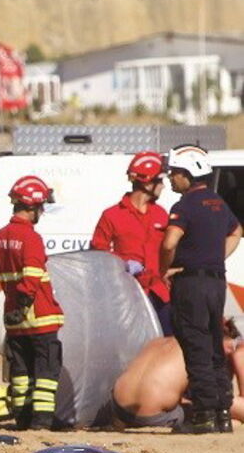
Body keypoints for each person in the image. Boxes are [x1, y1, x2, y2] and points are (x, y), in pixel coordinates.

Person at [160, 144, 242, 434]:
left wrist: (164, 268)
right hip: (216, 282)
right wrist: (217, 256)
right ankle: (222, 412)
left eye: (175, 173)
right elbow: (237, 231)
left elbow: (170, 242)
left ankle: (204, 414)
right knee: (213, 345)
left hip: (190, 283)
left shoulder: (184, 206)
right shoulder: (218, 203)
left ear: (189, 174)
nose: (171, 179)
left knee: (195, 345)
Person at [0, 175, 64, 431]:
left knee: (20, 373)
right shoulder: (30, 238)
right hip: (40, 316)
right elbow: (32, 276)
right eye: (40, 207)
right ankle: (41, 422)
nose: (41, 212)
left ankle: (22, 418)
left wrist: (15, 306)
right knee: (45, 374)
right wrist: (25, 304)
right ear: (32, 206)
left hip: (14, 320)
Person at [91, 151, 172, 334]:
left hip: (159, 293)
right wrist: (122, 264)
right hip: (128, 295)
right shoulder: (111, 215)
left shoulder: (161, 214)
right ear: (146, 181)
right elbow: (97, 252)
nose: (163, 186)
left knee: (167, 347)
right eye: (159, 180)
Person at [111, 321, 244, 430]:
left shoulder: (158, 341)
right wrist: (238, 354)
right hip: (151, 416)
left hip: (119, 409)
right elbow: (215, 397)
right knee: (219, 406)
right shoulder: (201, 349)